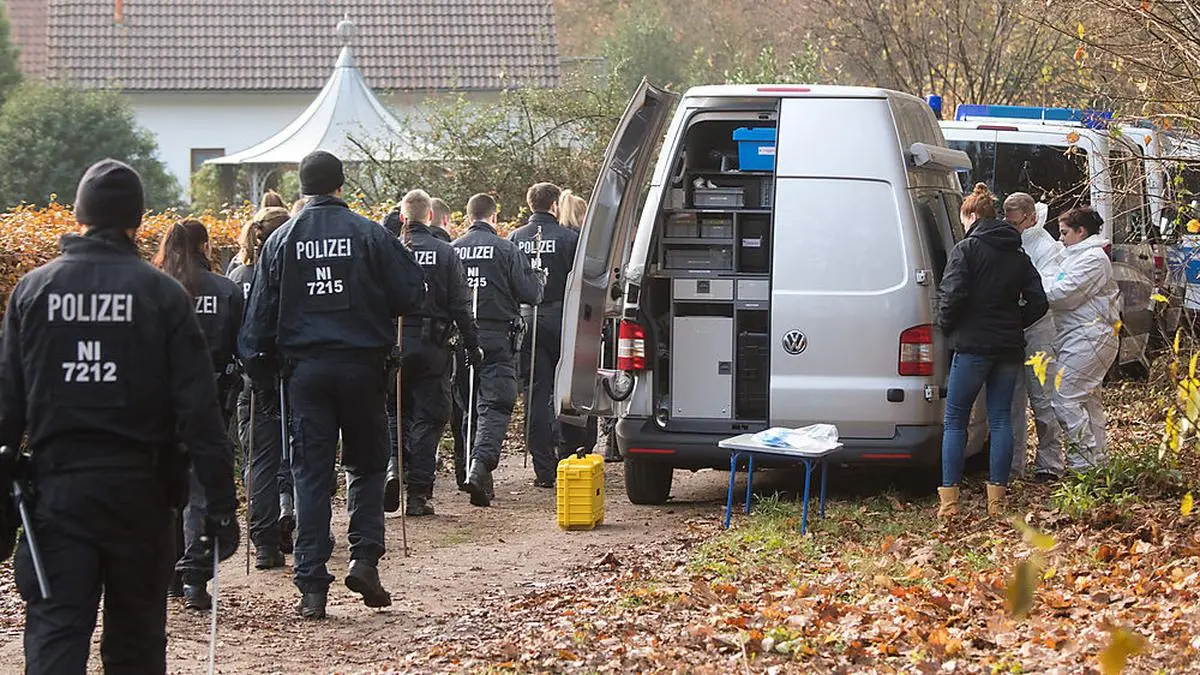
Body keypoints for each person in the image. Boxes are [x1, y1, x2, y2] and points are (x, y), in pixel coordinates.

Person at [0, 159, 239, 673]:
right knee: (135, 641)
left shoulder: (33, 292)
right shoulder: (162, 296)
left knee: (56, 636)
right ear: (136, 222)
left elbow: (6, 409)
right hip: (142, 497)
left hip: (57, 495)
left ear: (78, 216)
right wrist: (219, 505)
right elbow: (199, 413)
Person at [239, 150, 426, 619]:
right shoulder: (370, 234)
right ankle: (364, 560)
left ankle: (312, 585)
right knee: (365, 465)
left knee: (310, 473)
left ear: (303, 189)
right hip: (363, 367)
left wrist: (262, 380)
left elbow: (257, 321)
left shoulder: (281, 239)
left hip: (304, 373)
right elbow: (411, 293)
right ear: (341, 186)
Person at [935, 183, 1047, 518]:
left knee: (955, 419)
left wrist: (947, 326)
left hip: (971, 347)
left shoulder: (966, 250)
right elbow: (1039, 302)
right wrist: (1015, 322)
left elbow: (952, 296)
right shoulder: (1017, 254)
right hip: (1008, 348)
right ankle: (997, 501)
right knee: (1000, 420)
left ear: (970, 215)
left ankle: (950, 502)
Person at [152, 220, 243, 611]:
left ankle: (170, 573)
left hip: (159, 403)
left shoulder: (152, 290)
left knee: (164, 485)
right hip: (211, 398)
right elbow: (243, 343)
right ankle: (194, 577)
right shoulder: (226, 290)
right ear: (206, 247)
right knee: (200, 487)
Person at [384, 190, 481, 516]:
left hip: (395, 344)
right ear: (429, 216)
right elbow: (460, 305)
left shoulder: (390, 252)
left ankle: (394, 467)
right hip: (433, 347)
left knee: (395, 412)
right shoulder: (445, 252)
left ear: (402, 217)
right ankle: (418, 495)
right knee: (430, 418)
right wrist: (472, 344)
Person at [452, 193, 545, 506]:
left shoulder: (453, 249)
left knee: (468, 410)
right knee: (495, 406)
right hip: (497, 337)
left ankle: (473, 475)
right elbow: (530, 293)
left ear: (468, 216)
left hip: (461, 338)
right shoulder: (507, 249)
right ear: (494, 217)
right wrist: (538, 277)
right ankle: (479, 468)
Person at [228, 206, 295, 568]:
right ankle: (294, 523)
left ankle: (265, 540)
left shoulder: (237, 274)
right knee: (297, 453)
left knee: (259, 461)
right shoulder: (286, 272)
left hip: (249, 379)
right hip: (287, 374)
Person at [509, 183, 579, 487]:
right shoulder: (569, 238)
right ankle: (571, 457)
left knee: (536, 393)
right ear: (554, 205)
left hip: (528, 318)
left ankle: (543, 469)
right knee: (568, 389)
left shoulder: (514, 239)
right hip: (562, 316)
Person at [1047, 207, 1121, 471]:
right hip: (1080, 336)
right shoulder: (1075, 256)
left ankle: (1084, 464)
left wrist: (1034, 290)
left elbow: (1063, 294)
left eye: (1065, 233)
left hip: (1090, 337)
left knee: (1064, 399)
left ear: (1082, 231)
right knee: (1088, 402)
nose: (1061, 239)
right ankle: (1098, 462)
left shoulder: (1093, 259)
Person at [1003, 193, 1066, 481]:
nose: (1014, 227)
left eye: (1018, 222)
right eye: (1009, 221)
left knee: (1043, 398)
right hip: (1013, 328)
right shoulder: (1007, 241)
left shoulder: (1046, 247)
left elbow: (1047, 291)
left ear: (1031, 218)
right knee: (1013, 400)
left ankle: (1049, 462)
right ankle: (1012, 464)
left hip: (1039, 326)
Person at [554, 190, 606, 460]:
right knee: (583, 379)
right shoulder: (580, 243)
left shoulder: (554, 237)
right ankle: (582, 444)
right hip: (577, 321)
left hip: (548, 319)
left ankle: (560, 445)